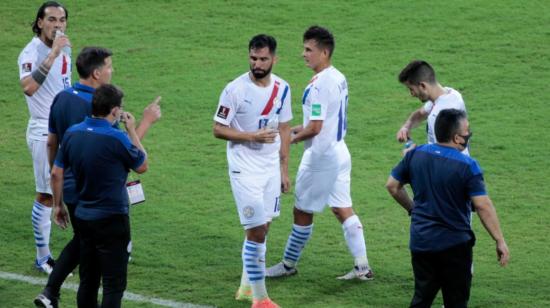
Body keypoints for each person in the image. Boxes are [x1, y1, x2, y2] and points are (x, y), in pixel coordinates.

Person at [34, 47, 161, 308]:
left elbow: (52, 145)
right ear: (96, 72)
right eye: (109, 67)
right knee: (111, 281)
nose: (112, 71)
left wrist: (58, 195)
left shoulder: (62, 100)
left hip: (73, 191)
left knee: (86, 262)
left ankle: (50, 291)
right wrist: (145, 122)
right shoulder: (106, 122)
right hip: (105, 204)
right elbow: (132, 157)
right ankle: (50, 290)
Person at [266, 25, 373, 281]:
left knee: (302, 210)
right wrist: (292, 129)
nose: (303, 54)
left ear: (324, 52)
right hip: (339, 151)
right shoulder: (337, 77)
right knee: (342, 208)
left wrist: (288, 140)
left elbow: (315, 127)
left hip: (320, 157)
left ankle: (289, 264)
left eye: (308, 50)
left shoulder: (319, 86)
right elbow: (321, 121)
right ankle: (362, 266)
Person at [386, 109, 510, 307]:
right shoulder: (468, 166)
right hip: (454, 246)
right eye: (467, 131)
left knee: (421, 299)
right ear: (456, 138)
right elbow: (483, 205)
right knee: (456, 302)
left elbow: (392, 186)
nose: (469, 135)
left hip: (421, 242)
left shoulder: (415, 155)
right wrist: (500, 240)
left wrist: (413, 209)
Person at [51, 84, 148, 307]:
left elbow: (57, 171)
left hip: (83, 216)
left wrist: (58, 205)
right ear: (114, 111)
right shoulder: (117, 137)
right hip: (112, 219)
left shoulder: (72, 133)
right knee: (113, 285)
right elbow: (142, 165)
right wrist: (132, 129)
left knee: (89, 280)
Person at [213, 34, 292, 308]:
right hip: (244, 169)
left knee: (264, 228)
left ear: (274, 59)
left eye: (263, 59)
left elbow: (284, 128)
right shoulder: (234, 89)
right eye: (253, 58)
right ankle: (260, 300)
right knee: (256, 229)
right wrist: (251, 137)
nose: (257, 64)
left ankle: (247, 287)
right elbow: (218, 128)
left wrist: (284, 169)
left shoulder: (283, 88)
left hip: (270, 169)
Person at [18, 0, 72, 274]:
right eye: (51, 20)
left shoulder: (65, 48)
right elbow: (28, 87)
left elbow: (66, 85)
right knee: (46, 195)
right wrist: (52, 55)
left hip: (67, 127)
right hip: (43, 131)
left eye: (61, 20)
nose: (57, 25)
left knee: (79, 186)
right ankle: (43, 258)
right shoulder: (31, 52)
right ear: (40, 22)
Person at [395, 60, 468, 155]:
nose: (411, 94)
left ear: (422, 86)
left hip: (451, 167)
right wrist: (406, 126)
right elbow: (421, 113)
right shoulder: (451, 94)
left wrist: (413, 155)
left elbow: (444, 154)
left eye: (411, 89)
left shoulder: (441, 114)